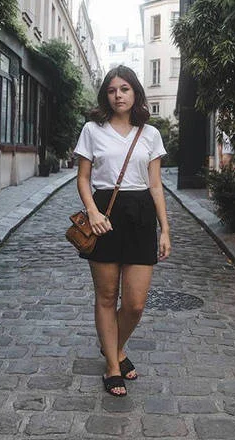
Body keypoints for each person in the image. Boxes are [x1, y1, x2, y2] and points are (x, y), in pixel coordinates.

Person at [73, 65, 171, 397]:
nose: (119, 95)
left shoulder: (150, 134)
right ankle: (113, 365)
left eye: (125, 89)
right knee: (105, 296)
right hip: (105, 214)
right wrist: (93, 212)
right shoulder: (92, 130)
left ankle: (113, 346)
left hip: (142, 215)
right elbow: (83, 178)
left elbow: (155, 185)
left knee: (135, 304)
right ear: (106, 95)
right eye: (113, 90)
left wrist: (165, 229)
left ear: (135, 93)